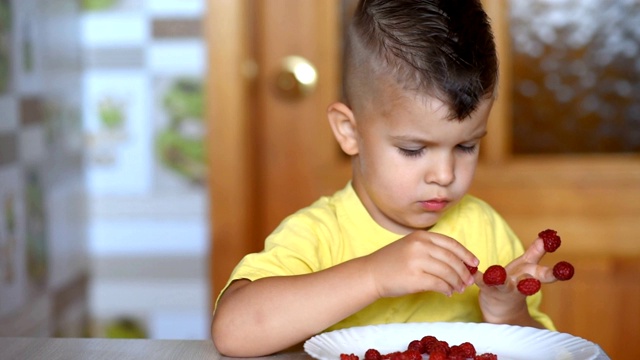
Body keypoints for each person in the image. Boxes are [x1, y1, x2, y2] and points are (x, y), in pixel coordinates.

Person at [212, 0, 558, 356]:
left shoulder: (486, 229)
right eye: (413, 149)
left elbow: (544, 349)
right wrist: (372, 276)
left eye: (466, 146)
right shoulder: (319, 234)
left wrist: (509, 312)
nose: (445, 175)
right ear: (349, 131)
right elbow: (233, 332)